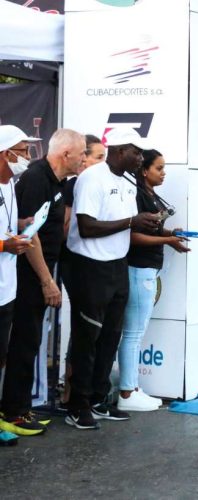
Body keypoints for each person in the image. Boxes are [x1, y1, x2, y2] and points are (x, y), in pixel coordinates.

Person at [65, 127, 160, 430]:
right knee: (87, 338)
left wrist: (161, 232)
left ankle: (97, 399)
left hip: (118, 265)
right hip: (90, 266)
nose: (140, 158)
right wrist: (133, 221)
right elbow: (87, 226)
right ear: (120, 151)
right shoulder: (92, 178)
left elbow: (127, 228)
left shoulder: (128, 182)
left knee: (110, 336)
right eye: (136, 152)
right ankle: (77, 405)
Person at [0, 129, 86, 436]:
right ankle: (14, 411)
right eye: (82, 154)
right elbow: (30, 237)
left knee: (28, 341)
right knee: (24, 342)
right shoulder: (36, 178)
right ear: (66, 155)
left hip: (27, 272)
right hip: (26, 273)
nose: (84, 159)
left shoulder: (54, 181)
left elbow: (26, 224)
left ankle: (19, 407)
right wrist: (47, 281)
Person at [117, 149, 189, 412]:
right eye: (159, 168)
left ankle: (132, 387)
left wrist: (170, 234)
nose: (164, 173)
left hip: (147, 269)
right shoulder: (137, 195)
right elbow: (133, 237)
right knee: (133, 333)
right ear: (144, 170)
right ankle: (126, 392)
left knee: (136, 332)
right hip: (138, 268)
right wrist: (167, 240)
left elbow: (153, 229)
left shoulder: (151, 195)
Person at [59, 134, 106, 406]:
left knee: (89, 328)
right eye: (98, 157)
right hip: (73, 262)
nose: (102, 163)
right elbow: (64, 229)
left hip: (90, 264)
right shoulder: (74, 185)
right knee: (82, 326)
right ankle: (70, 388)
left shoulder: (98, 183)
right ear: (83, 158)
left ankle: (81, 388)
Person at [0, 126, 35, 438]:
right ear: (5, 154)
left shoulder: (11, 185)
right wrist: (3, 246)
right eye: (22, 151)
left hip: (6, 289)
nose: (26, 157)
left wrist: (21, 226)